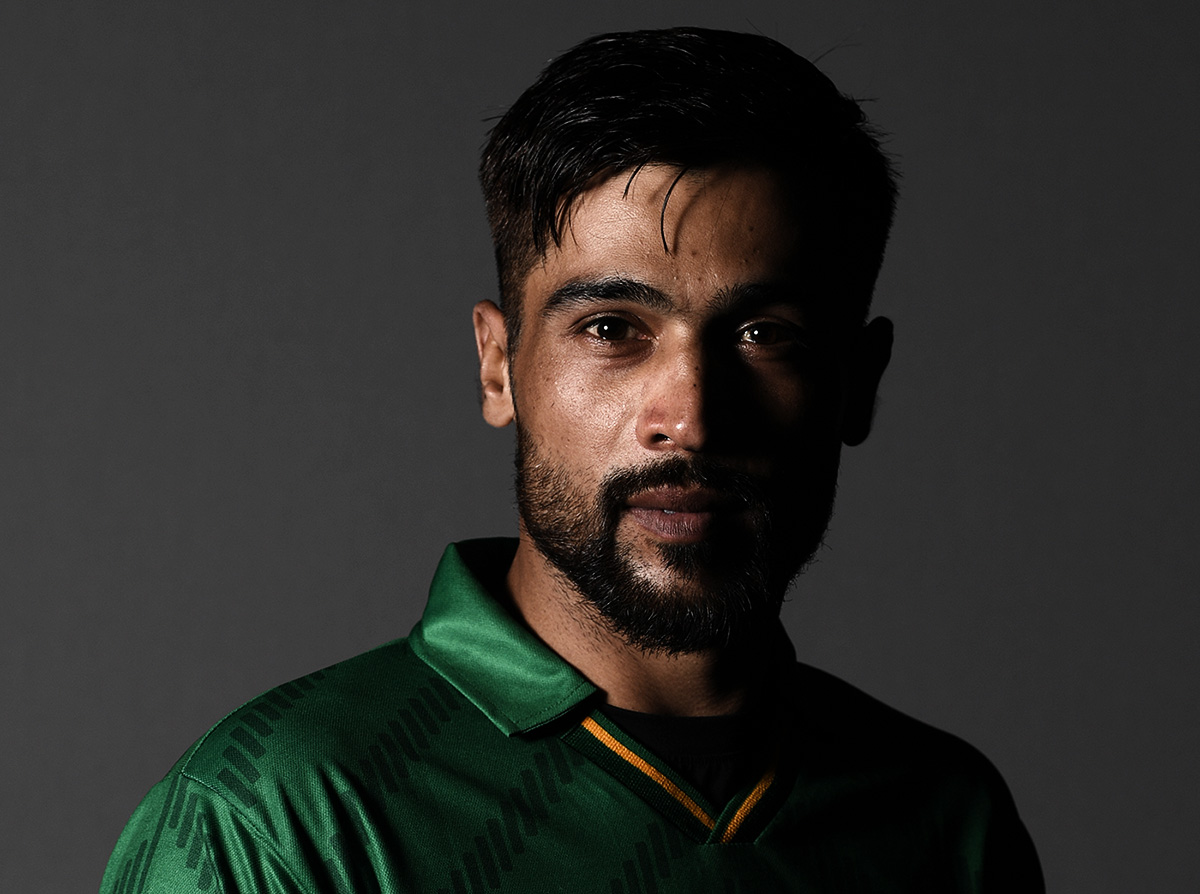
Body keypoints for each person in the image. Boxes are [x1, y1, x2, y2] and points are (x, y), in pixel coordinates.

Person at [101, 27, 1043, 893]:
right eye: (611, 329)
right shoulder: (273, 819)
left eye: (765, 333)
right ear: (500, 365)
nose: (690, 420)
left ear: (858, 382)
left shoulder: (946, 816)